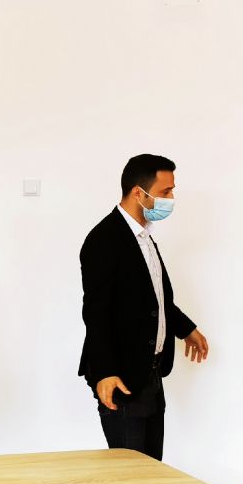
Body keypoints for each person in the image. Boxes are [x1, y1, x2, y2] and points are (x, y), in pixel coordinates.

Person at [78, 154, 210, 461]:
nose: (171, 198)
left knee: (152, 468)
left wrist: (186, 329)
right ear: (139, 192)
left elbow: (156, 300)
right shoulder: (104, 239)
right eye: (165, 191)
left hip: (150, 374)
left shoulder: (144, 237)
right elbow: (96, 313)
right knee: (129, 473)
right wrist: (106, 372)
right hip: (122, 377)